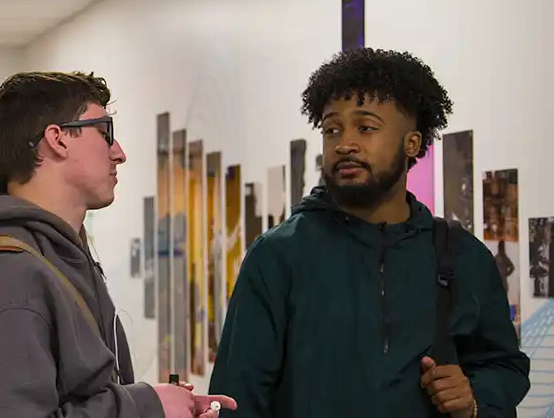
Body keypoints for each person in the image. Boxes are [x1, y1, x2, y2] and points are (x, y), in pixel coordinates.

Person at [209, 49, 530, 417]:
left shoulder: (461, 255)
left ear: (412, 143)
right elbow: (236, 396)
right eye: (332, 129)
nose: (344, 143)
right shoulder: (279, 255)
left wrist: (473, 397)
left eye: (366, 127)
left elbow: (505, 365)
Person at [0, 71, 236, 418]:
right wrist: (148, 407)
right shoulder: (9, 278)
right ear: (58, 139)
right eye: (104, 133)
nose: (119, 153)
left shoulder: (54, 260)